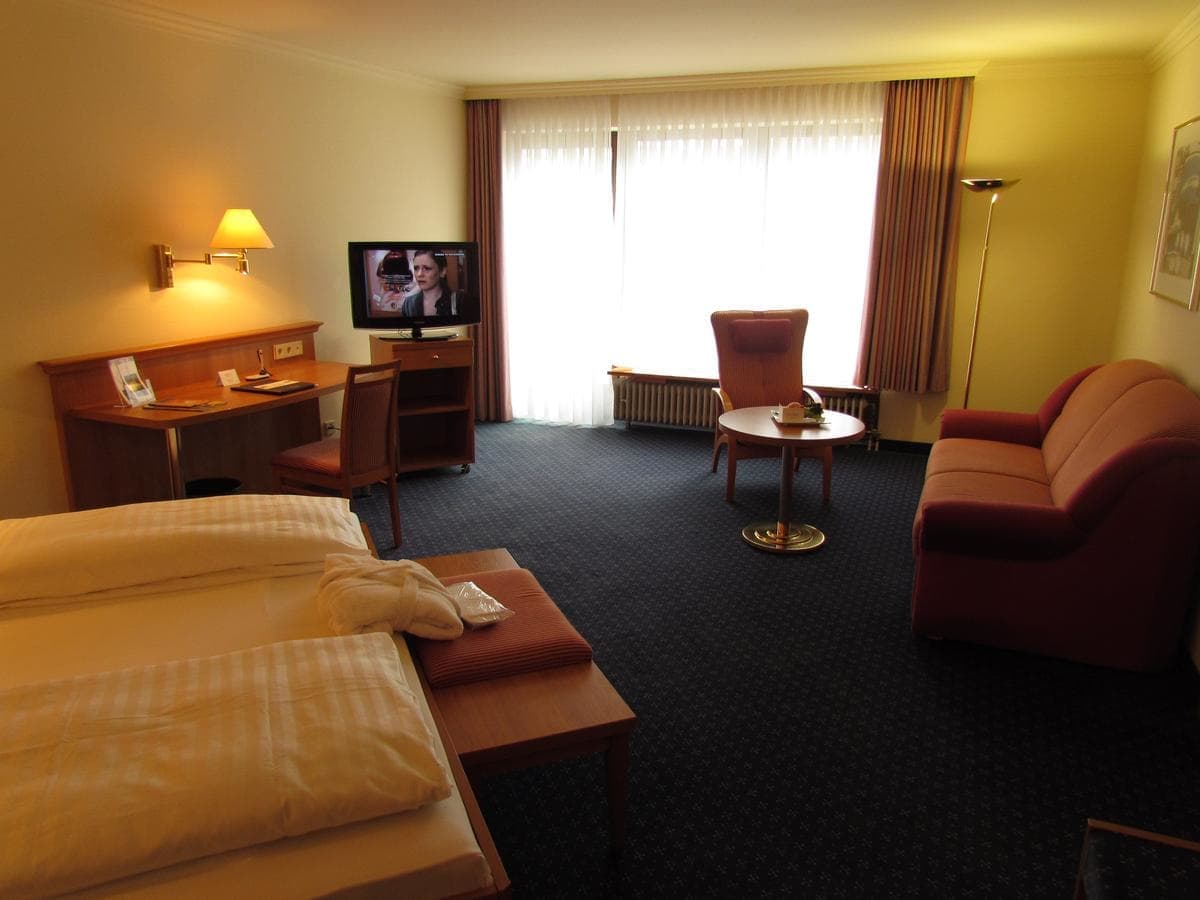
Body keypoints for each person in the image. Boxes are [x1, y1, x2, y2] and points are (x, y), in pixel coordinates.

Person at [400, 249, 469, 317]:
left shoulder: (460, 301)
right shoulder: (408, 304)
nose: (419, 274)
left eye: (427, 268)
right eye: (416, 268)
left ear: (442, 271)